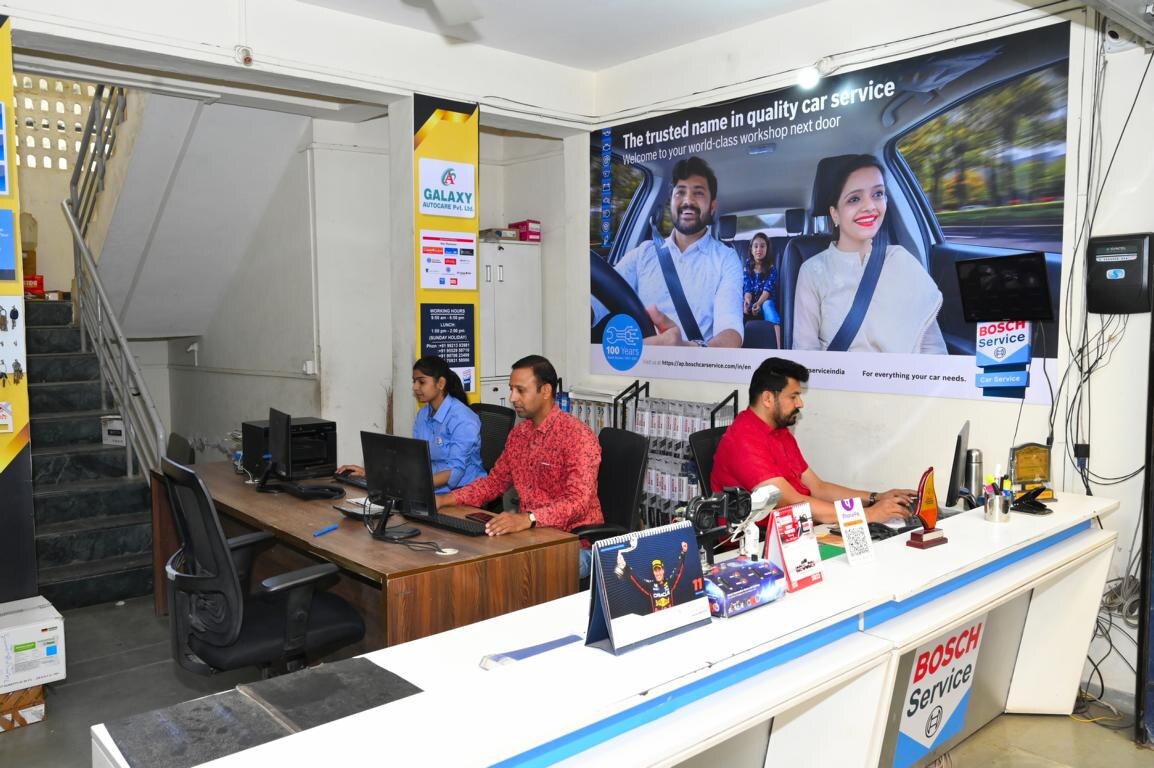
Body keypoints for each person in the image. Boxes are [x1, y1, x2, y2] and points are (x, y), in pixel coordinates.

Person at [436, 355, 604, 577]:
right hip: (532, 536)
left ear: (546, 391)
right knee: (468, 558)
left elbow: (578, 503)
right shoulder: (519, 435)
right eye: (511, 389)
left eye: (520, 390)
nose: (512, 397)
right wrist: (444, 500)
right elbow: (493, 483)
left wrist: (529, 518)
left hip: (576, 544)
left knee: (514, 574)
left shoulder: (577, 437)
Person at [711, 357, 916, 525]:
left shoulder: (779, 432)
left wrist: (874, 498)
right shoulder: (743, 441)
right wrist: (868, 514)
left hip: (799, 527)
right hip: (762, 543)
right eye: (793, 396)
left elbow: (818, 488)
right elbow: (791, 502)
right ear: (767, 399)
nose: (800, 403)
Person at [792, 155, 947, 354]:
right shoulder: (812, 272)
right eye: (854, 199)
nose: (870, 206)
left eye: (878, 194)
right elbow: (806, 353)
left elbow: (933, 349)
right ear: (835, 213)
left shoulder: (903, 261)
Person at [614, 156, 744, 348]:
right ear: (671, 202)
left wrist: (690, 351)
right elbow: (597, 304)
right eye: (680, 192)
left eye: (698, 193)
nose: (688, 200)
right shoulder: (642, 254)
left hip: (697, 366)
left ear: (712, 207)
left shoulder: (726, 259)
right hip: (636, 361)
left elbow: (731, 333)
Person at [337, 355, 485, 494]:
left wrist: (409, 484)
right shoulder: (423, 414)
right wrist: (371, 473)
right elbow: (416, 459)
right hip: (429, 487)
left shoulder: (463, 419)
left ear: (440, 383)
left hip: (464, 492)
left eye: (421, 382)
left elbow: (455, 472)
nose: (415, 387)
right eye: (414, 381)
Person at [616, 540, 689, 612]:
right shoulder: (650, 585)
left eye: (659, 570)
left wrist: (683, 552)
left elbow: (678, 570)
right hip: (656, 618)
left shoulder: (670, 582)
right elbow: (637, 579)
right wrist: (625, 566)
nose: (658, 573)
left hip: (671, 615)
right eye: (655, 571)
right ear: (653, 572)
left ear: (663, 570)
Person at [742, 232, 781, 347]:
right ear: (751, 249)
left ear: (767, 249)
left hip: (764, 302)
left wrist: (758, 304)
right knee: (739, 305)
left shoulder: (772, 269)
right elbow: (747, 288)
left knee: (768, 305)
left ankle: (778, 346)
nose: (759, 249)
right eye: (756, 246)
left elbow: (767, 291)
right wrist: (747, 301)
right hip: (752, 302)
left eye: (762, 246)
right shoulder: (747, 266)